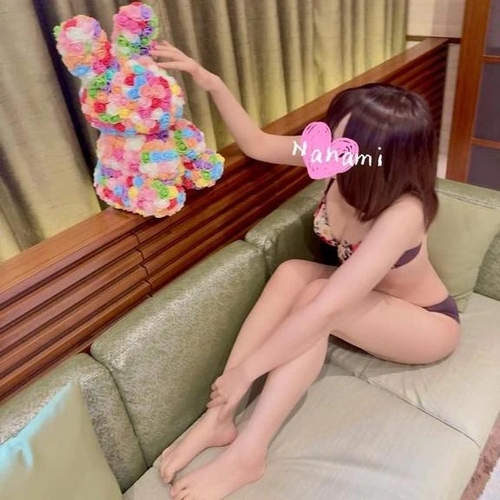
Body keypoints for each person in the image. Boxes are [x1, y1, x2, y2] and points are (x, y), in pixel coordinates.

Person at [150, 41, 461, 500]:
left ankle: (249, 454)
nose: (328, 142)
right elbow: (257, 144)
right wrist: (208, 81)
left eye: (342, 139)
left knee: (316, 302)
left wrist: (248, 370)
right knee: (292, 273)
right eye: (332, 132)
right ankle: (219, 418)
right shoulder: (338, 160)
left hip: (426, 324)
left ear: (375, 155)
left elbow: (328, 308)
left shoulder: (403, 213)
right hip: (369, 303)